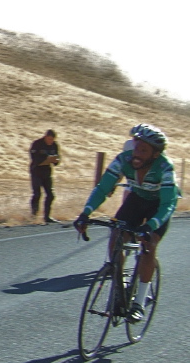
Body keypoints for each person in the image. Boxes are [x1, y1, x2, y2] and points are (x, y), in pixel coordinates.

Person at [73, 123, 176, 322]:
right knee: (116, 236)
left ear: (155, 154)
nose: (137, 154)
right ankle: (119, 289)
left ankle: (139, 301)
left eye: (143, 150)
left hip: (159, 206)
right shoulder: (124, 160)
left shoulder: (165, 168)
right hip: (136, 200)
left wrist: (150, 227)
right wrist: (85, 213)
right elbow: (103, 188)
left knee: (149, 245)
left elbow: (168, 204)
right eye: (136, 147)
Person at [29, 129, 61, 223]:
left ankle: (47, 217)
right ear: (45, 137)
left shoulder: (54, 145)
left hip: (47, 172)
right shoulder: (37, 143)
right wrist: (45, 159)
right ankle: (34, 217)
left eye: (52, 139)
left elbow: (58, 158)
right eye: (49, 139)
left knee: (50, 195)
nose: (51, 141)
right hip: (36, 171)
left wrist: (56, 160)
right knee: (37, 194)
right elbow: (34, 158)